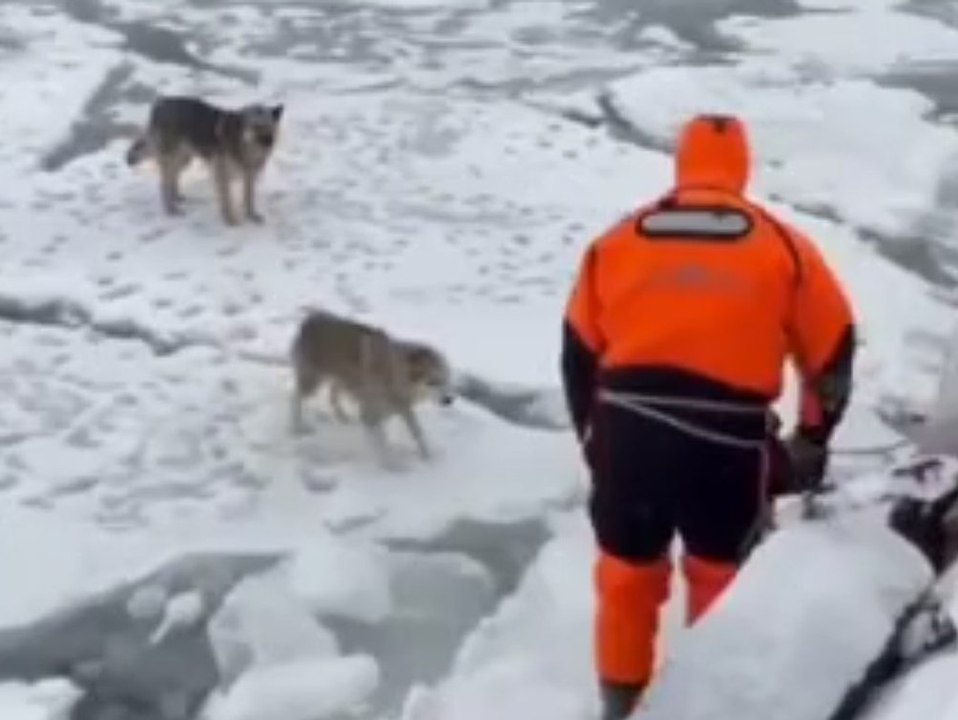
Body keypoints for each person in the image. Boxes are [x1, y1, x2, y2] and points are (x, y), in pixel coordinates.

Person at [559, 113, 857, 719]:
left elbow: (577, 354)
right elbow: (832, 351)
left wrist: (593, 437)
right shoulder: (783, 245)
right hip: (724, 447)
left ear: (682, 163)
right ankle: (708, 707)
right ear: (741, 167)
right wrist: (812, 439)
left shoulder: (618, 241)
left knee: (626, 578)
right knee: (720, 576)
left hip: (628, 433)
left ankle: (619, 708)